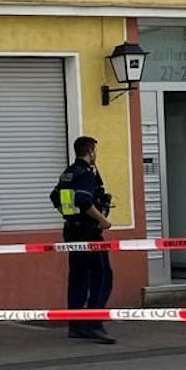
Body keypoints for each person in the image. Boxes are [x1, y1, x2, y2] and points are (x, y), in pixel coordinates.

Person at [54, 136, 116, 345]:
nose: (96, 154)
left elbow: (55, 196)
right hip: (88, 233)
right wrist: (103, 221)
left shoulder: (69, 173)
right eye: (95, 151)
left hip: (72, 231)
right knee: (102, 276)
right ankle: (93, 324)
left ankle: (76, 325)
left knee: (78, 278)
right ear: (89, 151)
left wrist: (70, 214)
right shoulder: (85, 174)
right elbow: (83, 199)